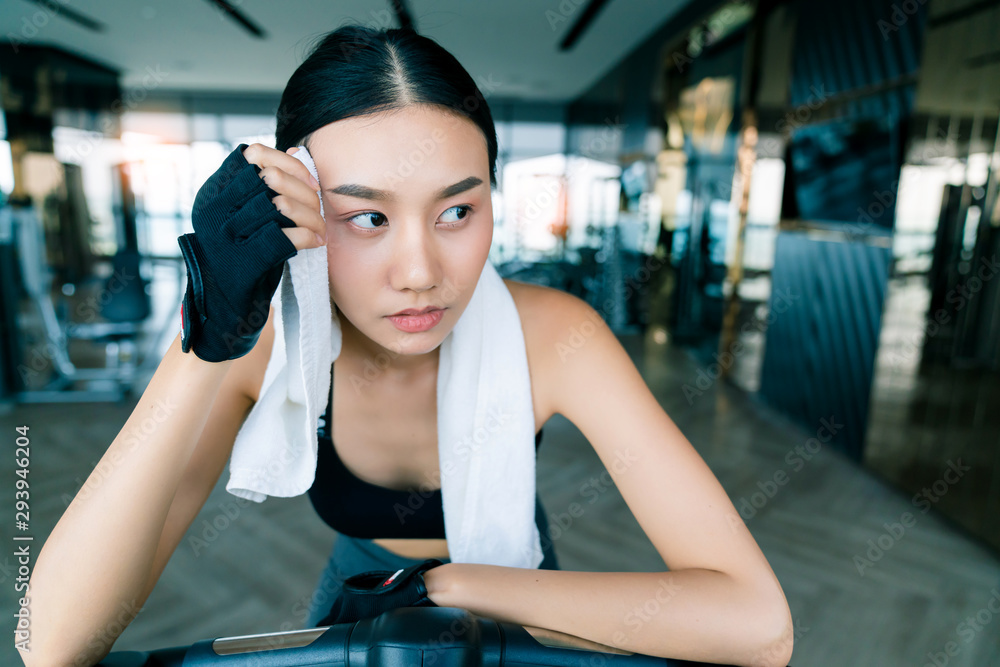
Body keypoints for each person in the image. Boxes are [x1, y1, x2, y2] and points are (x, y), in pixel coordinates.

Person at [20, 24, 793, 667]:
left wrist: (453, 587)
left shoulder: (556, 334)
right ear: (304, 216)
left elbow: (758, 625)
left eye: (457, 211)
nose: (421, 273)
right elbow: (51, 643)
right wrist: (206, 336)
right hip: (362, 585)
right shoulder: (259, 342)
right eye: (367, 218)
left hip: (518, 579)